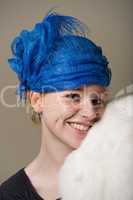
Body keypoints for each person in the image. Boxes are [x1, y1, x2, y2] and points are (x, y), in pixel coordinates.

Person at [0, 11, 111, 200]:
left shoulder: (121, 180)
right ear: (37, 100)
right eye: (73, 96)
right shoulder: (10, 196)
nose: (91, 112)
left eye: (96, 100)